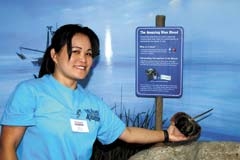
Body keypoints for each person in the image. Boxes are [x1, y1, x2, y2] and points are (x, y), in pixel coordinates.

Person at [0, 24, 187, 160]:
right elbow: (8, 147)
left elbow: (127, 133)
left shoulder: (92, 103)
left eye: (89, 53)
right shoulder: (30, 92)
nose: (83, 59)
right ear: (54, 55)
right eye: (76, 51)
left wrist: (167, 135)